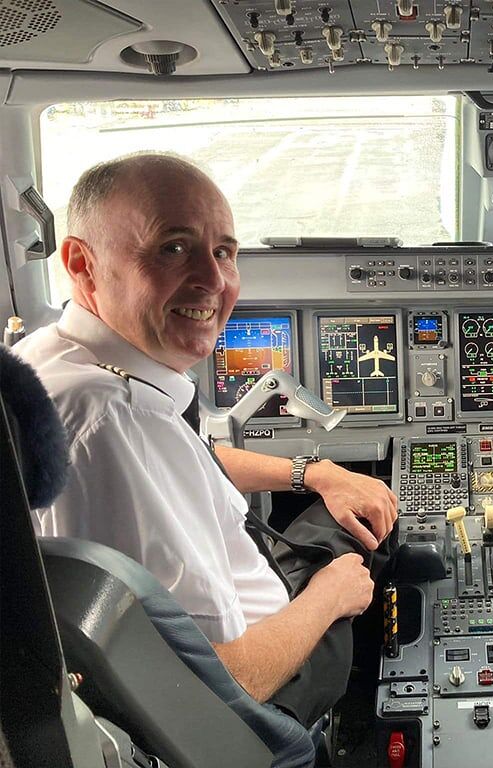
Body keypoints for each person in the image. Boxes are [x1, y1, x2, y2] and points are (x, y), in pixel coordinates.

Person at [15, 153, 399, 727]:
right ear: (81, 264)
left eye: (223, 252)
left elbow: (193, 455)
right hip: (265, 701)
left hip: (217, 639)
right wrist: (330, 597)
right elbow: (229, 682)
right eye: (173, 247)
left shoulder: (57, 359)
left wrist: (312, 473)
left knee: (343, 500)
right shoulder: (118, 420)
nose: (214, 281)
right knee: (369, 534)